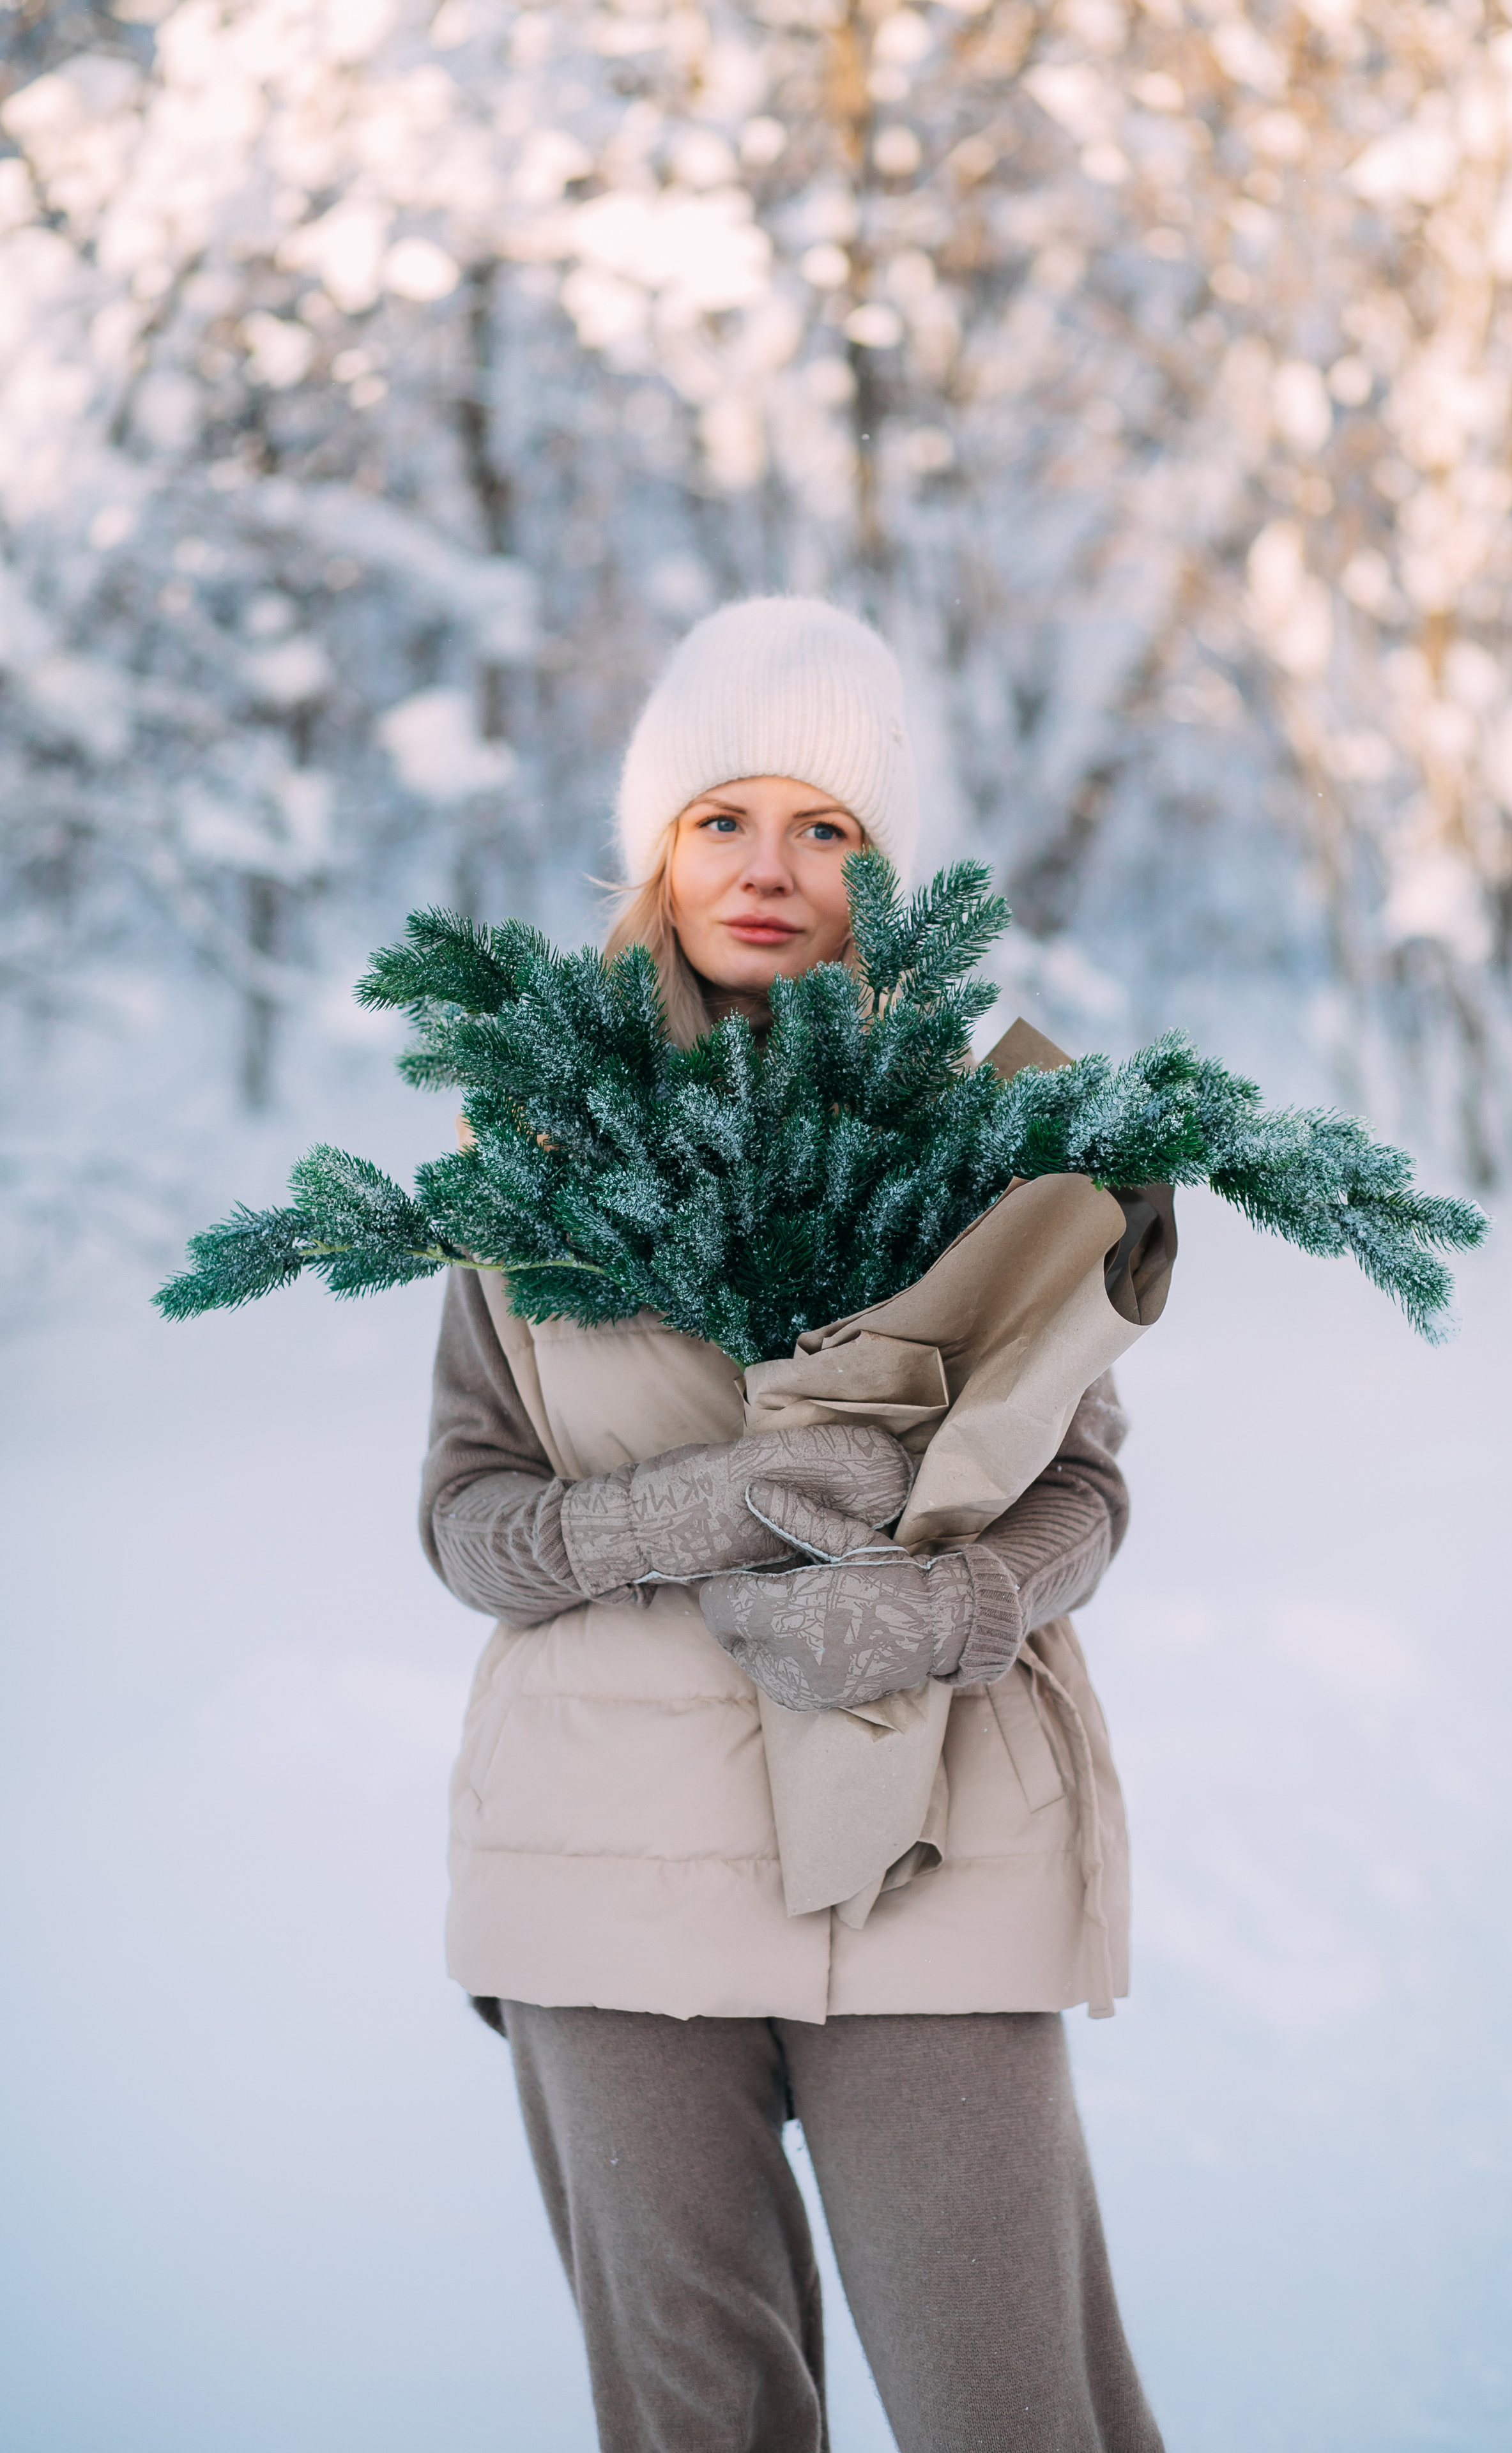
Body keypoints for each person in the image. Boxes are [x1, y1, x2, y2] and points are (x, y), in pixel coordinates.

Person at [420, 598, 1164, 2453]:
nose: (770, 868)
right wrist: (686, 1507)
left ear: (889, 868)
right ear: (656, 848)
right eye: (720, 817)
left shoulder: (990, 1140)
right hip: (604, 1872)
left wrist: (956, 1607)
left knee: (1017, 2412)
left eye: (826, 826)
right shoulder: (534, 1150)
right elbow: (467, 1517)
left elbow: (1084, 1480)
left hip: (930, 1847)